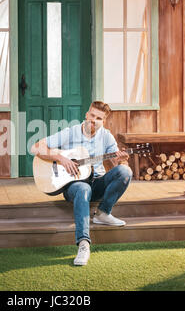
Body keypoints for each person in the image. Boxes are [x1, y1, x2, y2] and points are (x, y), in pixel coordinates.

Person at [31, 101, 132, 266]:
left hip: (97, 181)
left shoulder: (106, 136)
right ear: (86, 114)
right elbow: (36, 148)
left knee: (125, 172)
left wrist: (121, 161)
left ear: (103, 121)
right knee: (83, 188)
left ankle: (103, 213)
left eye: (98, 118)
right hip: (74, 186)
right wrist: (61, 158)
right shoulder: (70, 132)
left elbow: (115, 165)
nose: (93, 120)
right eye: (92, 115)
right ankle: (84, 244)